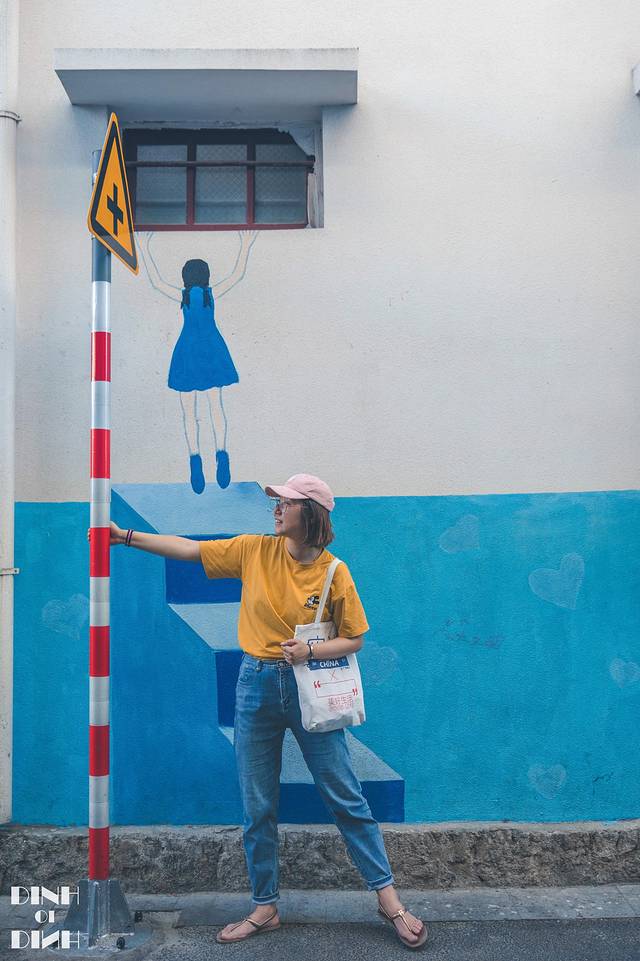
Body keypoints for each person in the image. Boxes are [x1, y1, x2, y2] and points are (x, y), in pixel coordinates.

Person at [100, 473, 428, 949]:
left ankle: (389, 901)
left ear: (309, 514)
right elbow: (191, 550)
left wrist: (310, 651)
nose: (276, 509)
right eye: (276, 502)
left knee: (345, 797)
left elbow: (354, 637)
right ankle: (264, 906)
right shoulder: (255, 550)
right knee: (257, 804)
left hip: (308, 688)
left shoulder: (335, 572)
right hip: (254, 685)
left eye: (286, 503)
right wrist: (125, 536)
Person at [138, 231, 257, 493]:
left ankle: (195, 459)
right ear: (206, 276)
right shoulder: (209, 296)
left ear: (185, 277)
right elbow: (236, 275)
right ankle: (222, 454)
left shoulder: (183, 297)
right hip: (211, 350)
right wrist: (246, 245)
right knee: (216, 407)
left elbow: (157, 282)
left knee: (189, 413)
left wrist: (144, 248)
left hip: (188, 353)